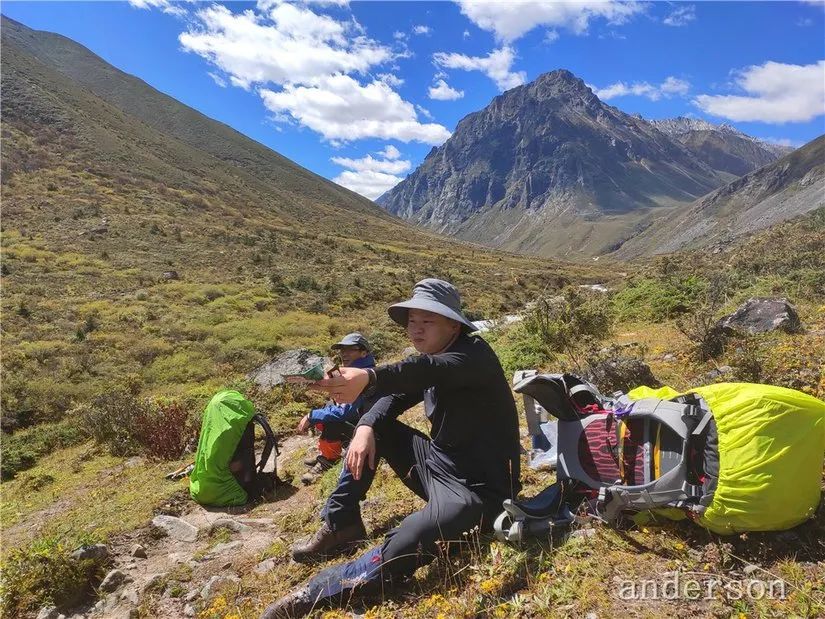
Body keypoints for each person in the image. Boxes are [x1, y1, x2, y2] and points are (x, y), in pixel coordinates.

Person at [262, 279, 521, 618]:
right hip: (439, 464)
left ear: (453, 324)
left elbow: (419, 372)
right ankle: (343, 523)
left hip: (478, 489)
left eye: (427, 321)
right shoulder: (437, 353)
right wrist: (366, 426)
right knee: (373, 428)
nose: (416, 329)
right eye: (412, 320)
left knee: (415, 532)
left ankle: (321, 590)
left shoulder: (471, 357)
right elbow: (399, 395)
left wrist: (367, 377)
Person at [296, 333, 376, 485]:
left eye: (350, 349)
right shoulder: (357, 370)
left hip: (367, 429)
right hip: (361, 421)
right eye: (342, 350)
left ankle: (328, 460)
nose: (344, 354)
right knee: (327, 410)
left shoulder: (361, 375)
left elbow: (343, 413)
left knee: (332, 420)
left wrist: (311, 415)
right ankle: (329, 452)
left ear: (363, 352)